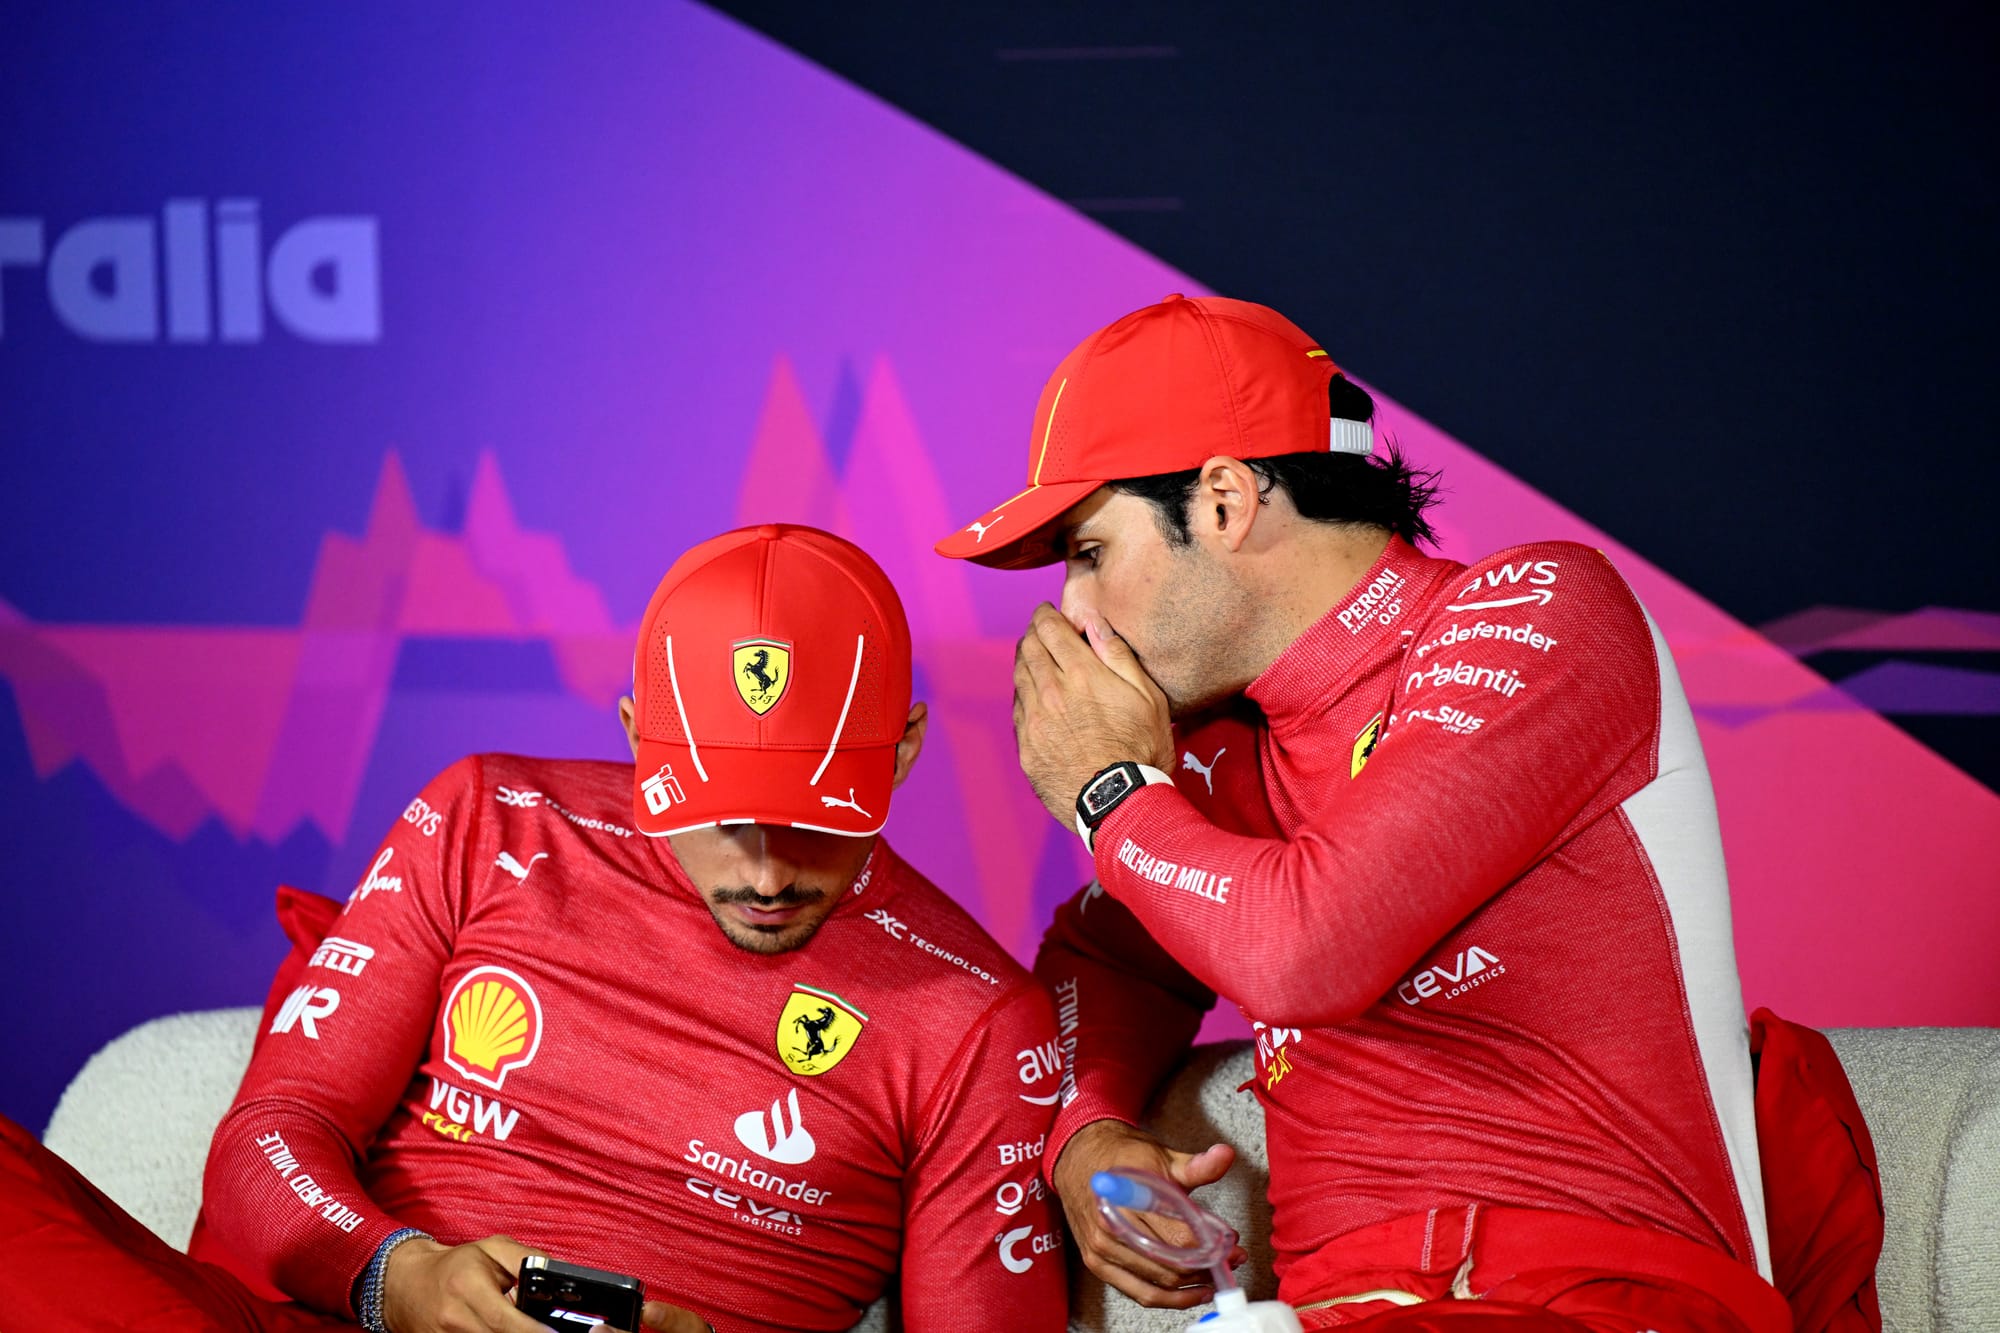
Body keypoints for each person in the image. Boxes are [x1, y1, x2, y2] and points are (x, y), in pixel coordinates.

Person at [933, 295, 1792, 1331]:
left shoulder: (1538, 611)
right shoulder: (1220, 743)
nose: (1071, 615)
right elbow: (1104, 958)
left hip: (1599, 1296)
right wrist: (1087, 1131)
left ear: (1222, 501)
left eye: (1087, 552)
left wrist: (1107, 791)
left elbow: (1305, 948)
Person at [1, 524, 1067, 1333]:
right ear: (638, 738)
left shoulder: (981, 1015)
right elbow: (270, 1134)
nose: (766, 871)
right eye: (719, 816)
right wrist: (397, 1278)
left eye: (816, 817)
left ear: (904, 748)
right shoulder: (489, 817)